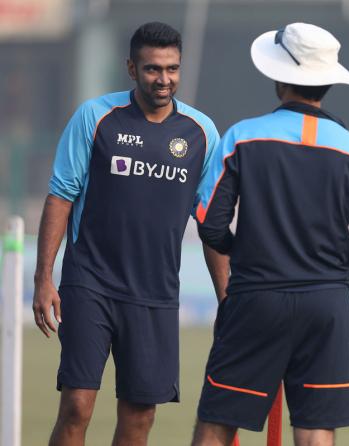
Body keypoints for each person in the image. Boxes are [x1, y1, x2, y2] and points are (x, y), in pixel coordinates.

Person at [191, 22, 349, 446]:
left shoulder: (241, 137)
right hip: (326, 305)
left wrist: (244, 248)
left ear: (279, 78)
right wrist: (337, 255)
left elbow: (209, 222)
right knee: (316, 431)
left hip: (255, 299)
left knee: (218, 422)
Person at [32, 22, 223, 446]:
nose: (165, 79)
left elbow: (211, 224)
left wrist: (229, 301)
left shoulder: (202, 133)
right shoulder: (95, 117)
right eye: (153, 69)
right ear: (132, 69)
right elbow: (61, 196)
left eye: (172, 68)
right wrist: (43, 277)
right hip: (90, 283)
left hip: (155, 293)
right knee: (77, 405)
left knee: (139, 416)